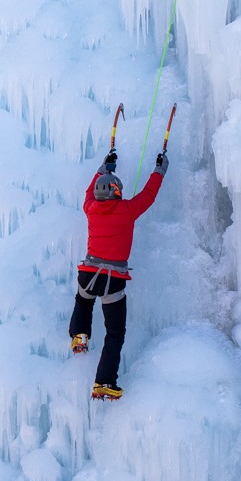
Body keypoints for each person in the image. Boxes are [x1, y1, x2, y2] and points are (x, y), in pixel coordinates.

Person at [69, 146, 168, 400]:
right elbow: (149, 194)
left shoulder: (90, 208)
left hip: (89, 274)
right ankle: (103, 382)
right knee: (114, 333)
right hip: (113, 282)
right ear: (116, 192)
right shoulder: (127, 210)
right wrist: (159, 169)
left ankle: (79, 335)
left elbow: (88, 191)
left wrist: (103, 167)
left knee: (83, 300)